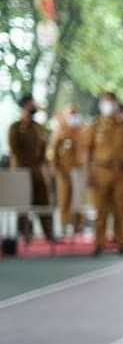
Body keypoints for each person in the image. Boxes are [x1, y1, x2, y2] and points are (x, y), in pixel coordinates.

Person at [84, 91, 123, 255]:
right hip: (100, 172)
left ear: (116, 104)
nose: (107, 105)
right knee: (100, 210)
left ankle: (122, 242)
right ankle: (98, 243)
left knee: (121, 210)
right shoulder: (94, 127)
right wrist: (88, 174)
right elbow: (87, 152)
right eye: (104, 102)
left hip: (120, 173)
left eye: (110, 102)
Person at [8, 95, 54, 244]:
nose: (34, 106)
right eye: (31, 104)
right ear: (25, 106)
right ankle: (24, 234)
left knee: (43, 202)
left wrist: (45, 167)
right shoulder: (15, 127)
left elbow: (43, 150)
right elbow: (15, 151)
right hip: (22, 171)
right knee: (23, 205)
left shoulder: (37, 127)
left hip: (37, 171)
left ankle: (49, 234)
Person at [49, 105, 86, 238]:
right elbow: (53, 151)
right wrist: (54, 166)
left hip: (79, 169)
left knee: (79, 199)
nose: (73, 116)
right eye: (70, 114)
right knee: (64, 198)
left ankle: (78, 226)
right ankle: (64, 226)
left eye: (74, 113)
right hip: (64, 171)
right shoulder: (60, 132)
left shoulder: (82, 130)